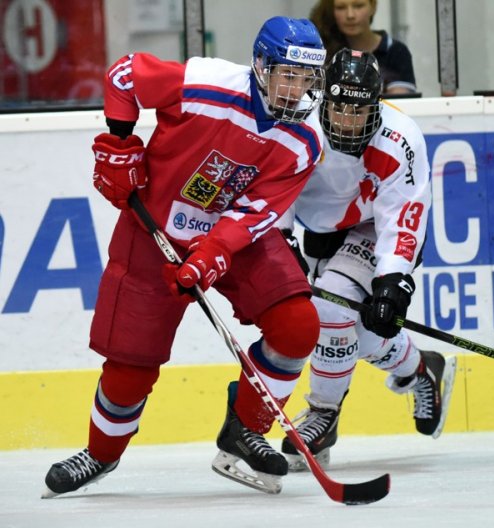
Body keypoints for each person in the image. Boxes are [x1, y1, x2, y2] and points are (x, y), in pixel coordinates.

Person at [42, 16, 327, 498]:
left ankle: (244, 433)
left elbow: (256, 213)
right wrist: (119, 142)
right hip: (152, 225)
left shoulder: (305, 139)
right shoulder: (207, 84)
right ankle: (101, 454)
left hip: (233, 239)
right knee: (130, 365)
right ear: (260, 66)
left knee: (297, 324)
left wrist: (213, 253)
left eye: (306, 78)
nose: (296, 88)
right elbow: (124, 75)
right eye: (287, 74)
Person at [277, 48, 456, 471]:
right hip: (321, 229)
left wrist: (392, 283)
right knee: (352, 329)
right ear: (324, 98)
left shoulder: (400, 136)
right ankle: (420, 369)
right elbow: (275, 182)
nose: (346, 120)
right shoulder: (298, 119)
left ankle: (323, 414)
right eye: (339, 107)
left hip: (374, 225)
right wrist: (281, 241)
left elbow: (404, 218)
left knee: (331, 305)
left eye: (358, 110)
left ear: (376, 105)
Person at [310, 0, 417, 96]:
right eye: (341, 7)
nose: (350, 15)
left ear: (373, 6)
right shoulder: (323, 51)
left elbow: (400, 105)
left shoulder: (395, 52)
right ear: (331, 12)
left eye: (358, 6)